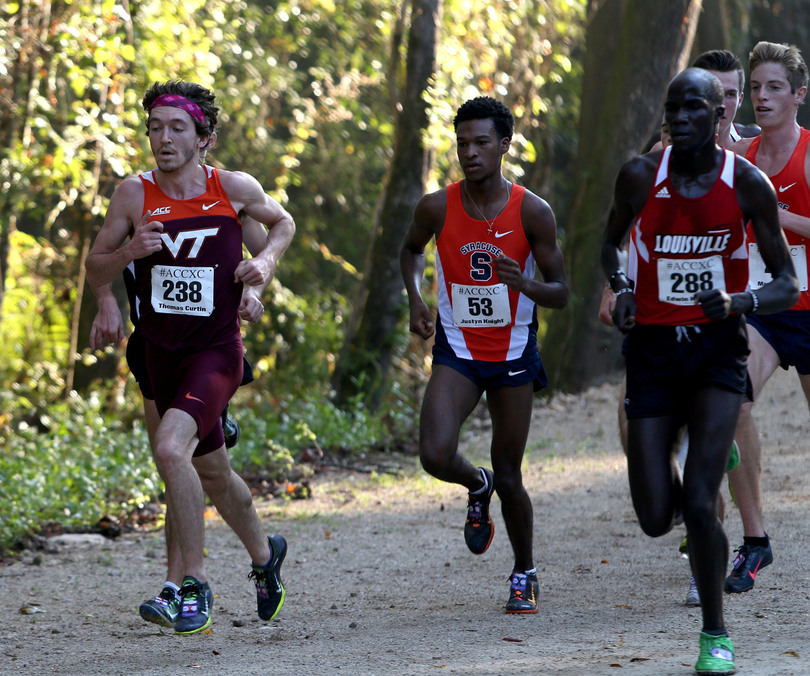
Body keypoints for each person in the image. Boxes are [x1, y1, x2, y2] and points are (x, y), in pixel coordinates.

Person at [602, 68, 797, 674]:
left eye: (694, 108)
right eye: (672, 108)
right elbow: (609, 244)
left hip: (717, 354)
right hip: (655, 356)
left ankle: (715, 634)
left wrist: (741, 303)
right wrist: (621, 285)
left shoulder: (747, 183)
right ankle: (698, 459)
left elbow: (787, 282)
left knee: (699, 494)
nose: (680, 118)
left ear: (718, 117)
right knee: (657, 517)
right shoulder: (640, 175)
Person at [85, 80, 295, 634]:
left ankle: (189, 585)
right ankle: (264, 554)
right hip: (157, 352)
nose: (162, 138)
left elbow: (281, 226)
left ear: (206, 138)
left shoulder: (232, 189)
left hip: (215, 351)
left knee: (169, 450)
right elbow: (96, 265)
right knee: (212, 472)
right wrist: (129, 253)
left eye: (176, 127)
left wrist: (263, 271)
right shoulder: (134, 194)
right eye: (154, 127)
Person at [400, 96, 568, 613]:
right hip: (458, 351)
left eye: (481, 143)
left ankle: (525, 571)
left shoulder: (532, 210)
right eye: (462, 143)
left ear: (504, 145)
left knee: (512, 471)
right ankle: (477, 485)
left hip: (514, 353)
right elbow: (410, 250)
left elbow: (562, 291)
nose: (470, 153)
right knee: (434, 452)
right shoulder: (437, 206)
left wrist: (528, 284)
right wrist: (416, 298)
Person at [724, 41, 810, 594]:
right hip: (765, 308)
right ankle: (755, 541)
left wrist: (773, 213)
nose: (761, 97)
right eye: (756, 87)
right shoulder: (743, 158)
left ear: (799, 95)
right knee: (732, 401)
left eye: (774, 87)